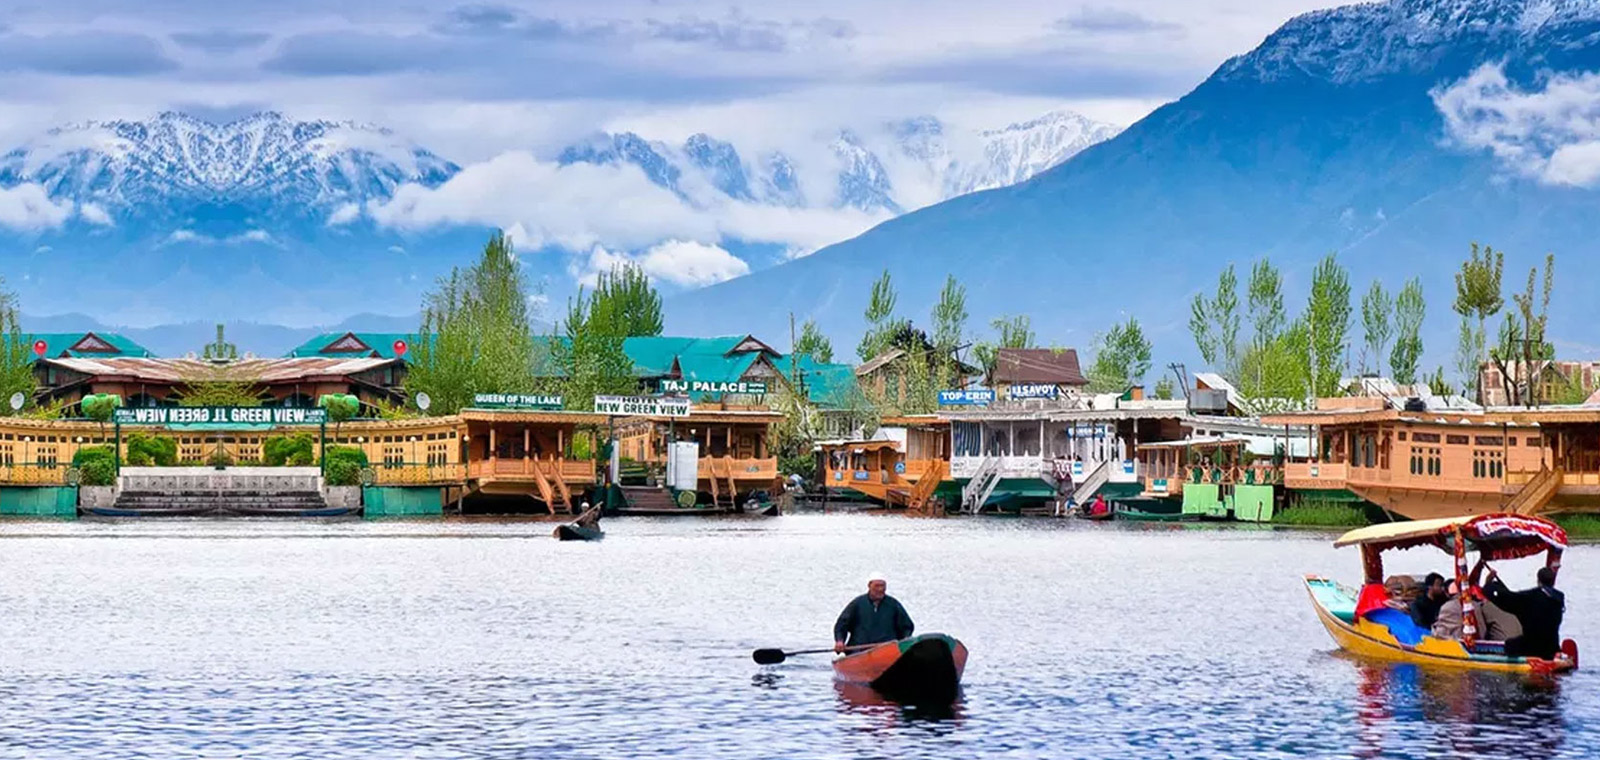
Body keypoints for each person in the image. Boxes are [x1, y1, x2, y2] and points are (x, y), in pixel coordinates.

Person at [1482, 564, 1565, 659]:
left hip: (1531, 648)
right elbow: (1510, 597)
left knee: (1510, 645)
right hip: (1552, 647)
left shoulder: (1530, 597)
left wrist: (1489, 585)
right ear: (1553, 581)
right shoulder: (1559, 598)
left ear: (1538, 580)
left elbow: (1506, 598)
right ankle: (1556, 655)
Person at [833, 572, 915, 653]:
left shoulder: (893, 604)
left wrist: (905, 640)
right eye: (877, 586)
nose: (880, 589)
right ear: (869, 586)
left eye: (882, 586)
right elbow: (841, 624)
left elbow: (907, 626)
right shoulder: (858, 603)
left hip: (887, 648)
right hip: (859, 649)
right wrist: (840, 641)